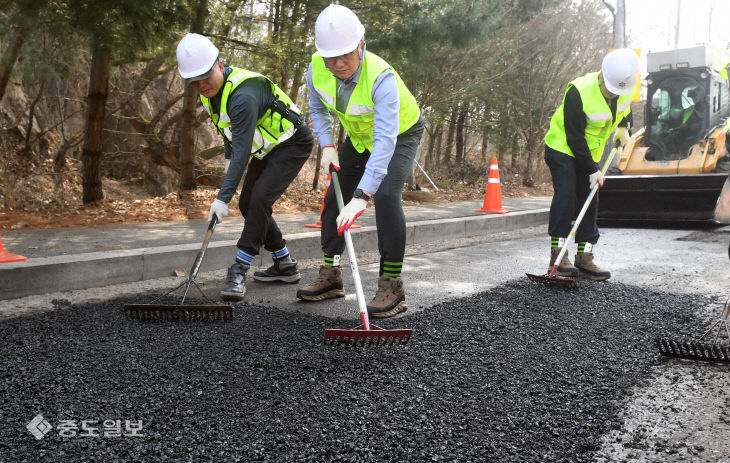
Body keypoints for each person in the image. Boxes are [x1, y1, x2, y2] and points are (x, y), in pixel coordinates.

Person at [296, 4, 424, 318]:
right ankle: (332, 275)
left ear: (362, 47)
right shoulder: (316, 67)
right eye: (331, 57)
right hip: (357, 137)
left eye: (346, 55)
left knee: (388, 194)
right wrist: (326, 145)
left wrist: (363, 196)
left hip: (399, 135)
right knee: (334, 197)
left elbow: (384, 143)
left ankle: (391, 283)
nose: (338, 64)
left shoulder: (381, 78)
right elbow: (317, 106)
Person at [176, 33, 313, 301]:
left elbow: (242, 152)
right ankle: (284, 263)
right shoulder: (210, 94)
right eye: (195, 81)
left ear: (220, 64)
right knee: (249, 203)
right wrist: (229, 163)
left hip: (292, 142)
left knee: (260, 198)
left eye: (206, 76)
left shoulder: (243, 95)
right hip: (268, 148)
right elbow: (229, 132)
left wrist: (222, 198)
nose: (202, 84)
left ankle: (240, 267)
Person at [543, 48, 640, 280]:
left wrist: (624, 127)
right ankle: (558, 255)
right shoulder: (579, 91)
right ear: (602, 75)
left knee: (590, 199)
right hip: (562, 148)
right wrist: (592, 170)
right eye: (611, 90)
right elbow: (574, 138)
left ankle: (584, 257)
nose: (614, 95)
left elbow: (625, 109)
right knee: (566, 195)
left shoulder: (625, 87)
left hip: (591, 154)